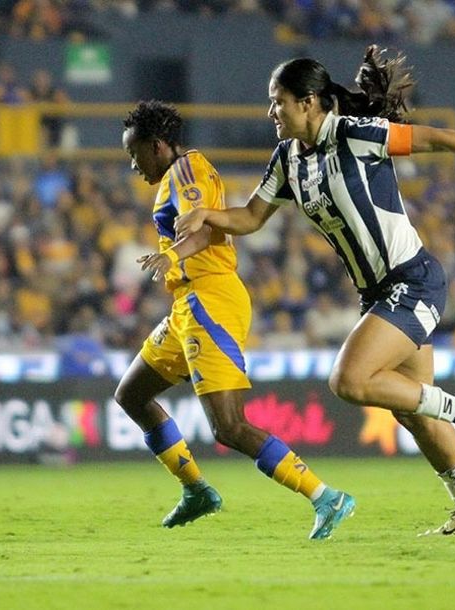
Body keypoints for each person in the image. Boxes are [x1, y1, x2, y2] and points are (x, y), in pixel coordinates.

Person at [175, 46, 455, 536]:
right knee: (413, 412)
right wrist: (207, 215)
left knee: (348, 380)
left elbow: (436, 138)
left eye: (278, 102)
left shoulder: (356, 135)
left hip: (413, 280)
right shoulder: (287, 159)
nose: (271, 112)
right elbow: (251, 218)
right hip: (378, 294)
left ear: (309, 102)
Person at [116, 101, 355, 539]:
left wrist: (170, 254)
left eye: (136, 154)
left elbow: (204, 227)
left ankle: (325, 496)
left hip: (211, 301)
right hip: (188, 303)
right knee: (132, 394)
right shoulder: (177, 175)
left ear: (157, 145)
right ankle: (197, 491)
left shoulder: (186, 172)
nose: (133, 164)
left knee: (229, 427)